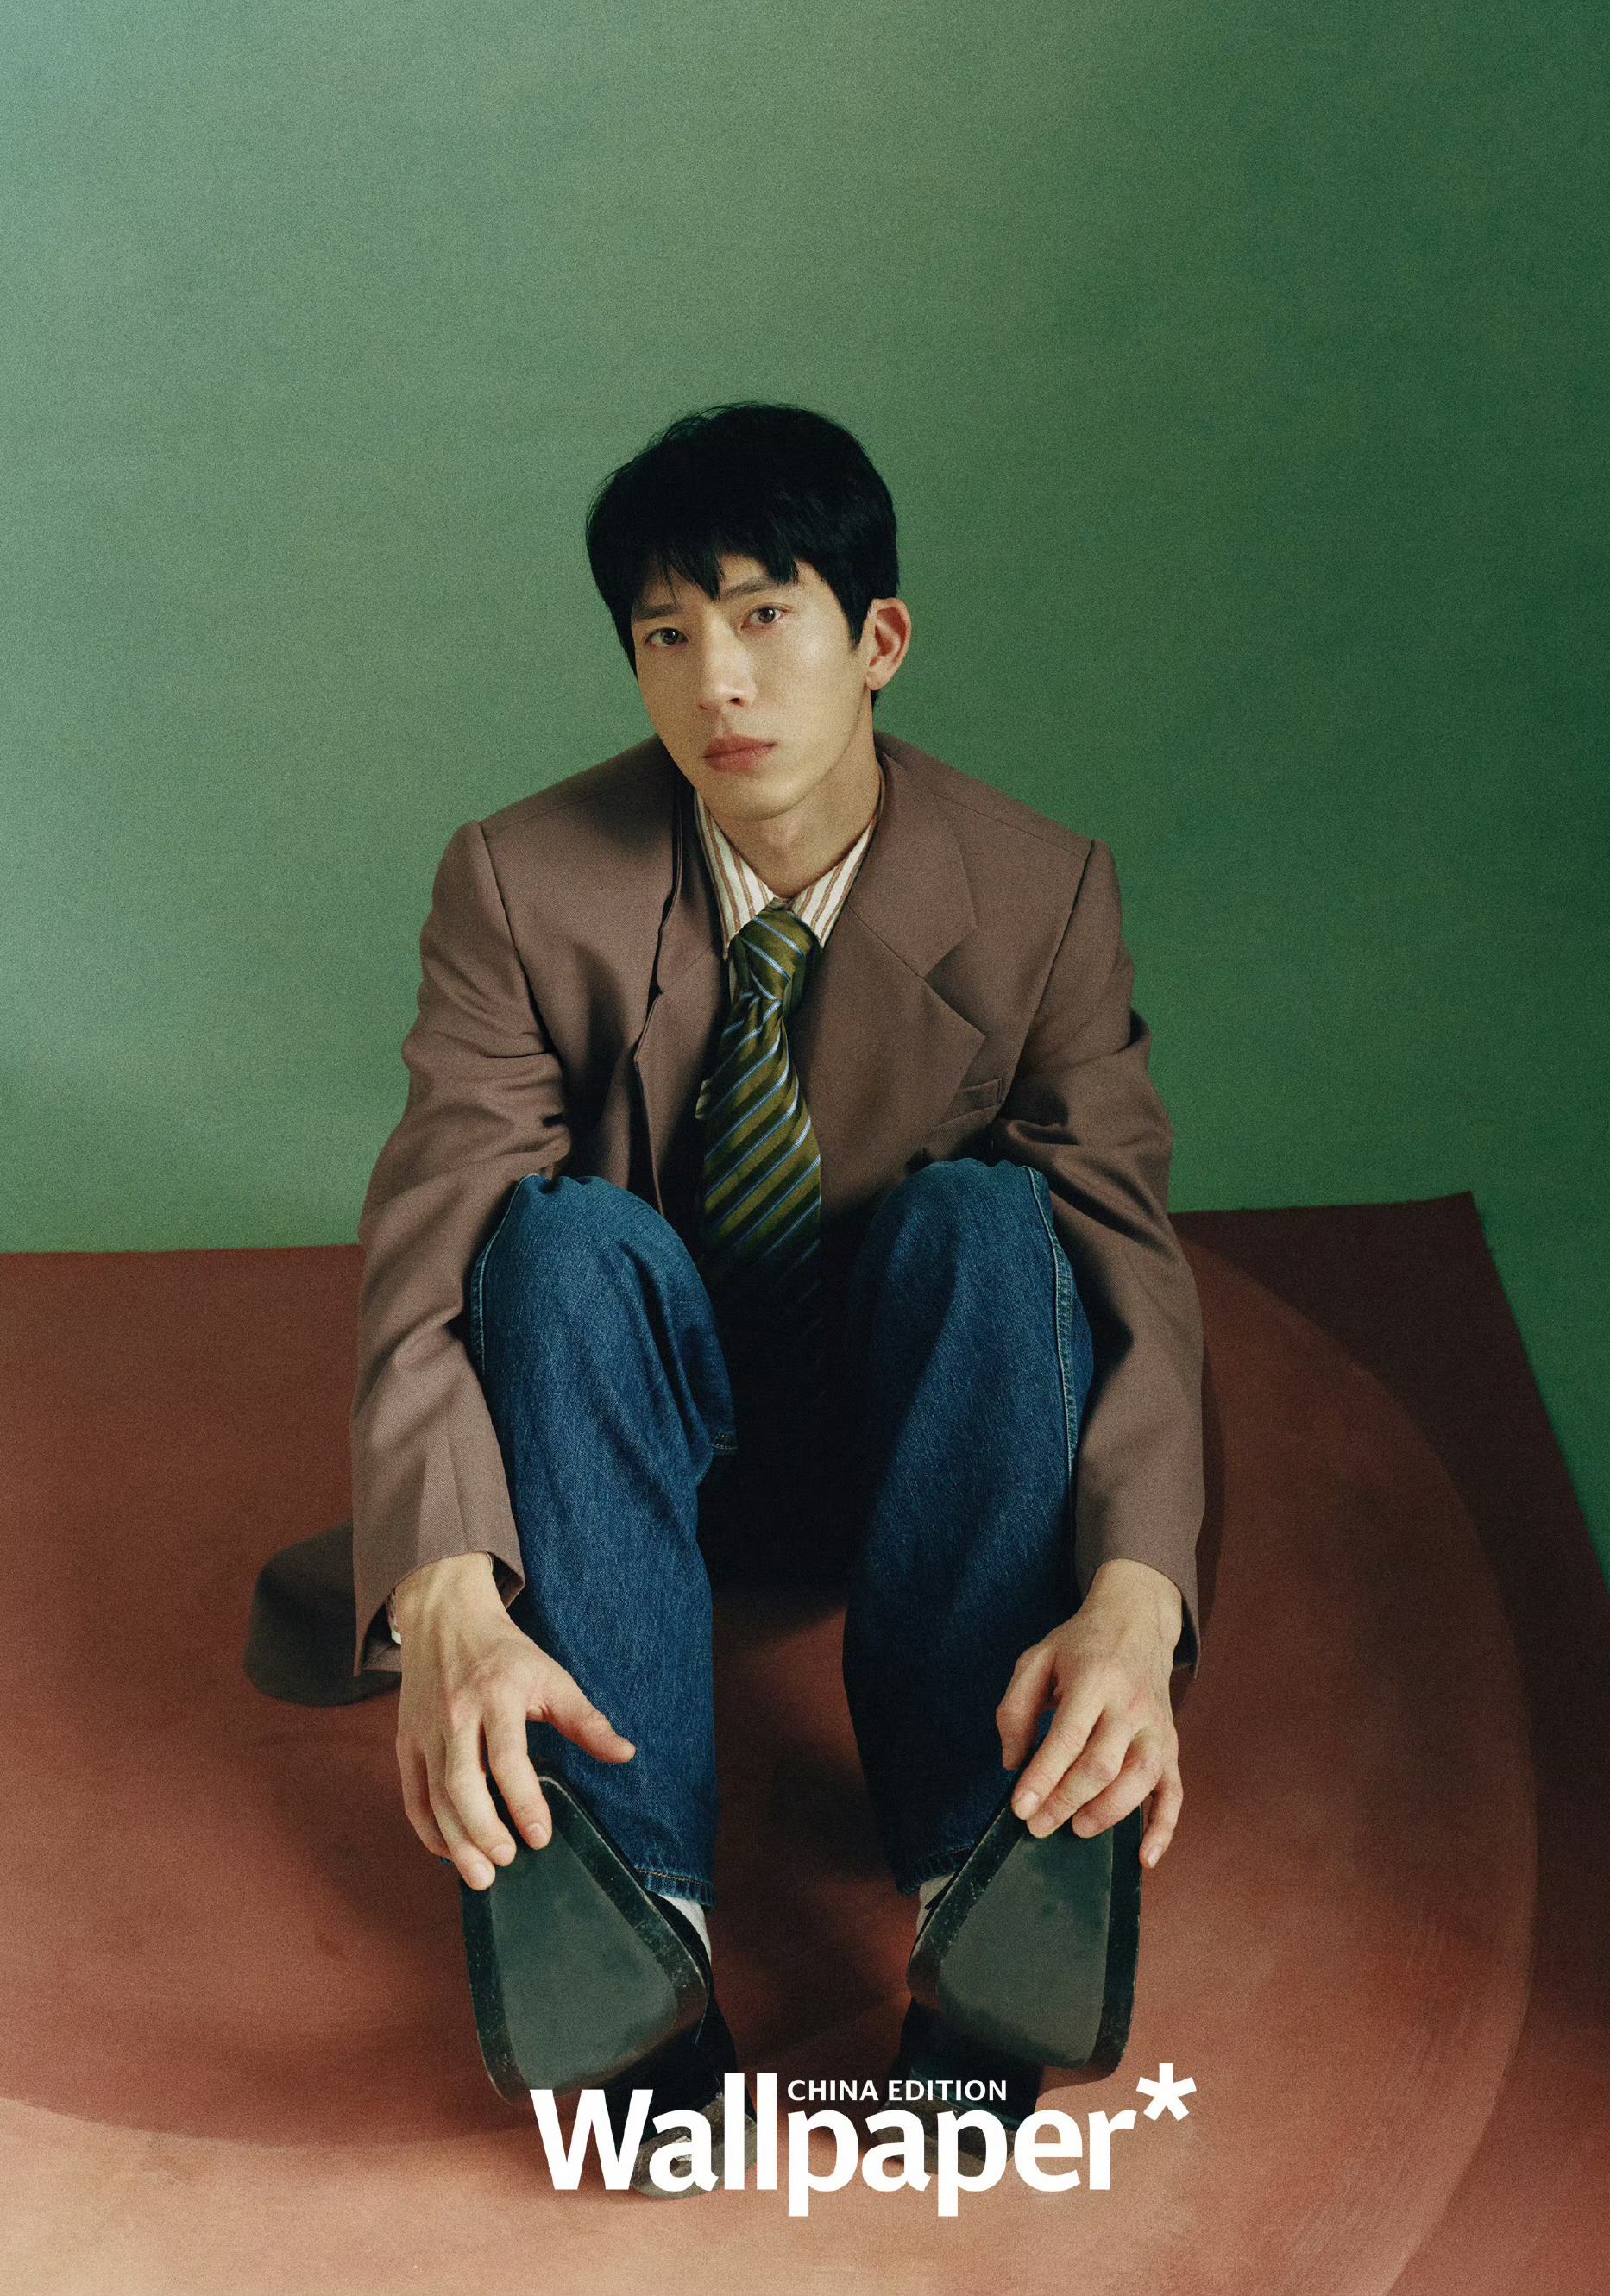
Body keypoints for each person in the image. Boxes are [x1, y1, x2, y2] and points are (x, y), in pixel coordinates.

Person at [351, 402, 1205, 2176]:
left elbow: (1126, 1266)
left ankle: (993, 1895)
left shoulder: (1041, 894)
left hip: (927, 1445)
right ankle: (629, 1929)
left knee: (993, 1226)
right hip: (623, 1451)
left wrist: (1137, 1602)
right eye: (665, 635)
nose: (716, 681)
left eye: (762, 616)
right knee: (558, 1241)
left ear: (877, 637)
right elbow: (432, 1249)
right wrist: (443, 1596)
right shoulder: (520, 881)